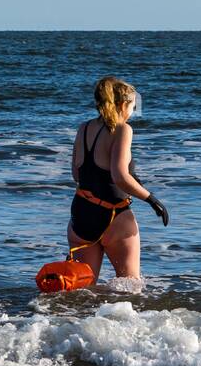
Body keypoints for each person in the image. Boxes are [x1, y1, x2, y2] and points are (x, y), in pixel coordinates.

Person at [68, 76, 168, 280]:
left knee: (82, 286)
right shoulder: (123, 129)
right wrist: (153, 200)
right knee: (130, 287)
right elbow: (120, 176)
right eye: (132, 106)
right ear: (123, 104)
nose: (132, 112)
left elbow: (77, 174)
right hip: (114, 215)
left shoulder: (84, 128)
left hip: (81, 215)